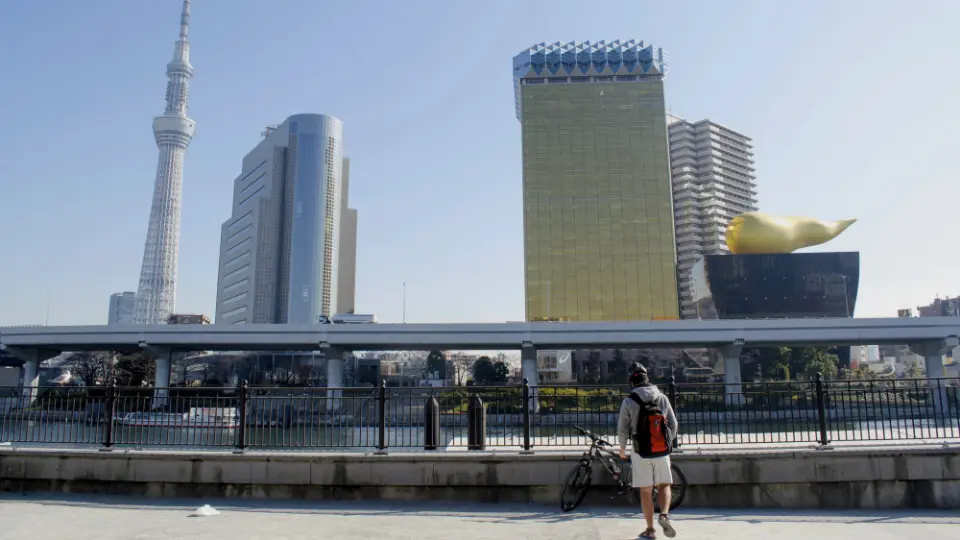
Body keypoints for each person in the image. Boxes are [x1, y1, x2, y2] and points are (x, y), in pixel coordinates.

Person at [617, 363, 678, 539]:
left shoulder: (629, 401)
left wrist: (622, 448)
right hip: (662, 450)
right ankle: (664, 515)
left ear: (631, 381)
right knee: (665, 484)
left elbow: (623, 428)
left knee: (645, 491)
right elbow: (673, 424)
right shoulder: (662, 398)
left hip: (640, 451)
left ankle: (650, 529)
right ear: (647, 378)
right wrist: (667, 443)